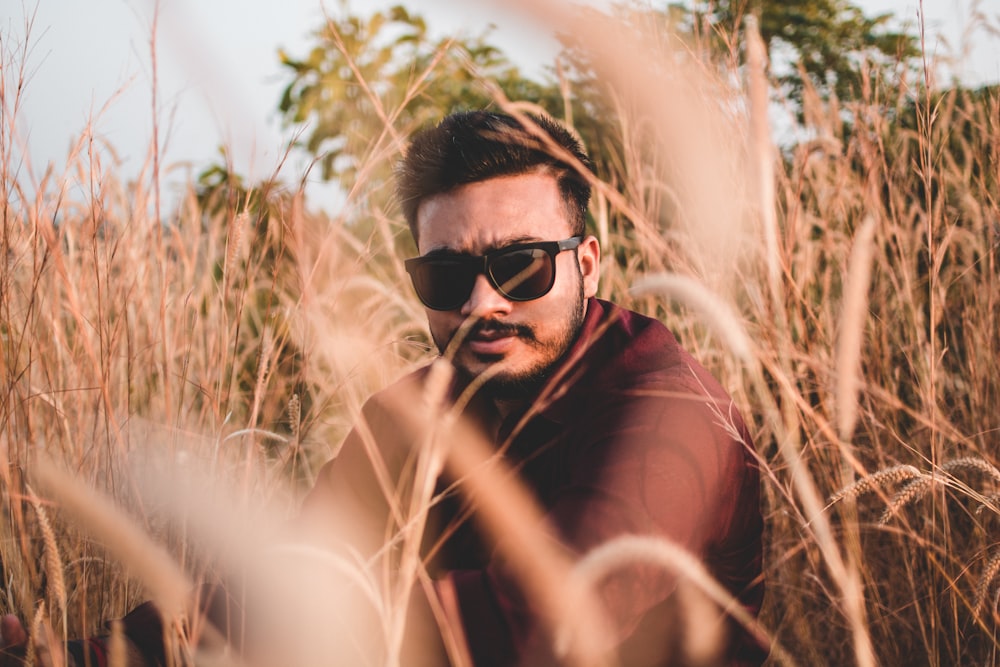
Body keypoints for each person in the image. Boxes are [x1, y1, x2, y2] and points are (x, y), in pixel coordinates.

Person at [1, 110, 764, 666]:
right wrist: (71, 655)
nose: (481, 303)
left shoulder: (663, 412)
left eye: (521, 264)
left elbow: (547, 621)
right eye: (446, 273)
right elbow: (286, 579)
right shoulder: (414, 411)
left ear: (587, 262)